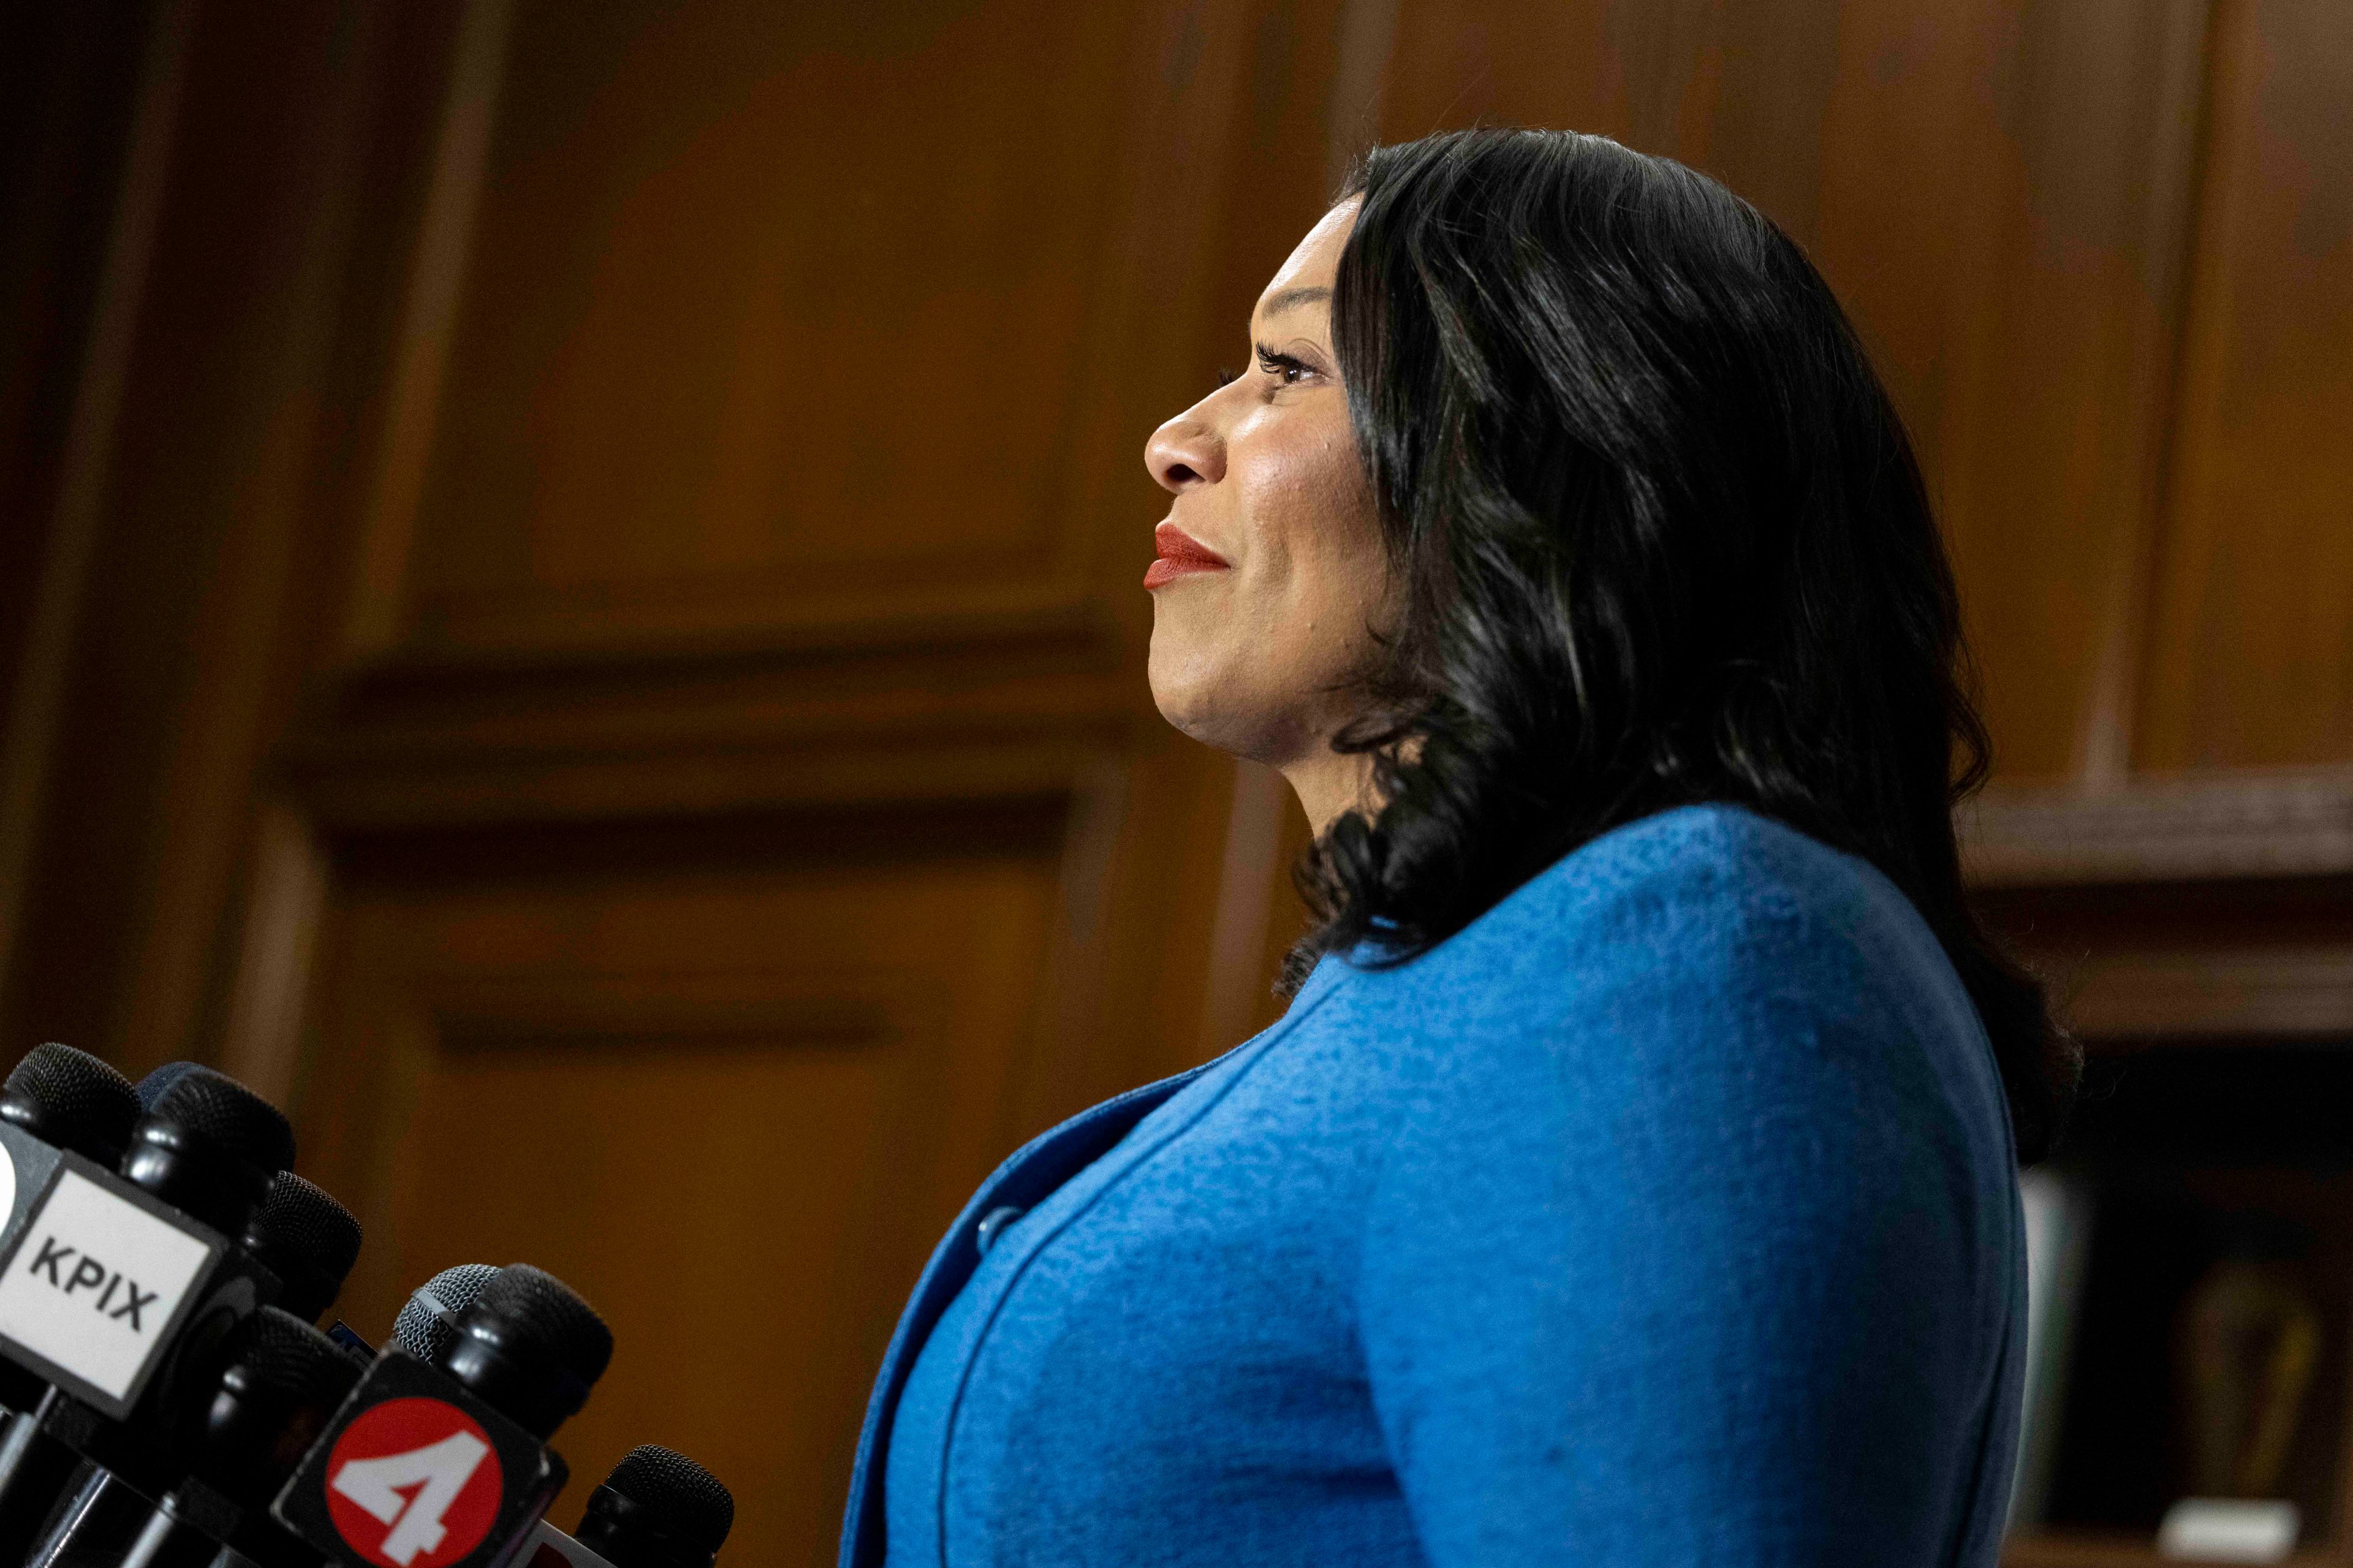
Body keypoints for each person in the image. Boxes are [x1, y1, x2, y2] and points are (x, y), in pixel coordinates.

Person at [839, 127, 2078, 1568]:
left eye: (1287, 368)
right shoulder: (1483, 981)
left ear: (1554, 451)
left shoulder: (1691, 967)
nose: (1175, 437)